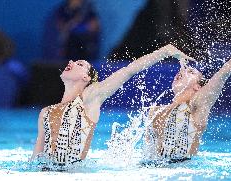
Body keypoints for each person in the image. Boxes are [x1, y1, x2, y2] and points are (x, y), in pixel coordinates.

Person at [30, 44, 194, 168]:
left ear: (87, 78)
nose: (71, 62)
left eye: (80, 64)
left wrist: (164, 51)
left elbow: (129, 70)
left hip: (73, 174)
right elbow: (35, 159)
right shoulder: (46, 112)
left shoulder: (91, 97)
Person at [144, 46, 231, 164]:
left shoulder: (197, 103)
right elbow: (149, 154)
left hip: (181, 169)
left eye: (191, 72)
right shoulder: (155, 111)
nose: (182, 71)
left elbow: (225, 71)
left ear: (197, 86)